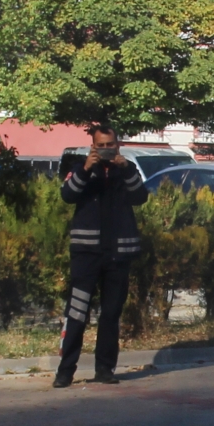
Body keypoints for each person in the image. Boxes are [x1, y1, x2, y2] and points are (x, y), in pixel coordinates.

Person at [54, 127, 150, 388]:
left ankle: (105, 369)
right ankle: (65, 371)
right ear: (92, 146)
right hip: (86, 254)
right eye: (101, 146)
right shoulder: (81, 167)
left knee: (111, 313)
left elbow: (141, 197)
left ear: (118, 145)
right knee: (77, 312)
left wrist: (127, 169)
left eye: (111, 145)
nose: (107, 149)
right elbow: (68, 195)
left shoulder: (126, 169)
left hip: (118, 254)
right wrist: (86, 168)